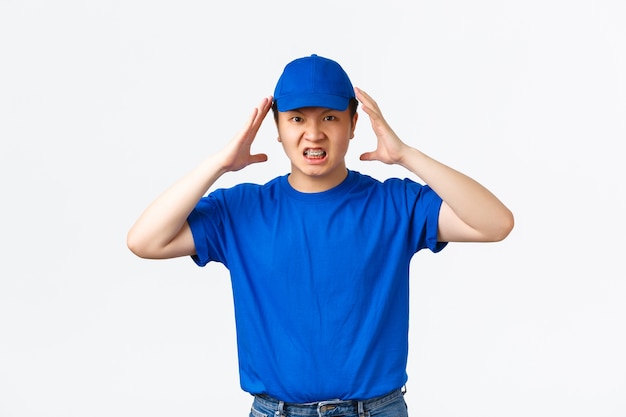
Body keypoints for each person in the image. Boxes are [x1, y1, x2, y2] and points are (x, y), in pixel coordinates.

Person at [127, 54, 514, 417]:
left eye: (329, 118)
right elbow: (145, 241)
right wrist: (219, 164)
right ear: (276, 127)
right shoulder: (240, 210)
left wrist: (405, 154)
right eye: (296, 119)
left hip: (375, 409)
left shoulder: (394, 203)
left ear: (353, 124)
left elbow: (495, 223)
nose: (313, 134)